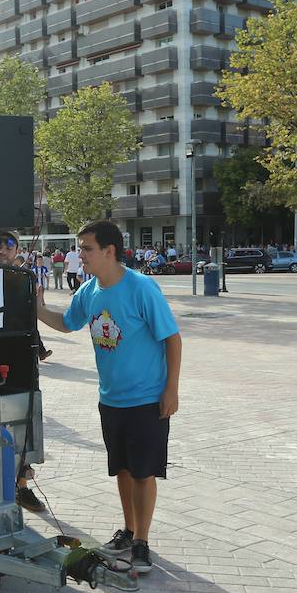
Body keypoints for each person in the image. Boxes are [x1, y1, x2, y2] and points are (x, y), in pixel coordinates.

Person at [35, 220, 182, 574]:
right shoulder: (89, 292)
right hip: (111, 400)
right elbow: (68, 322)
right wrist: (37, 308)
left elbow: (172, 338)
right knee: (123, 469)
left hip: (146, 399)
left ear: (109, 251)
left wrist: (171, 389)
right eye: (80, 248)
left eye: (86, 249)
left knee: (143, 472)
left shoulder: (141, 288)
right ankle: (129, 532)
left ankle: (142, 543)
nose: (80, 255)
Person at [0, 229, 50, 513]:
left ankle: (21, 486)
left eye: (9, 245)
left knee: (20, 422)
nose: (2, 250)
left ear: (18, 250)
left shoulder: (26, 278)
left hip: (20, 361)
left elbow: (32, 318)